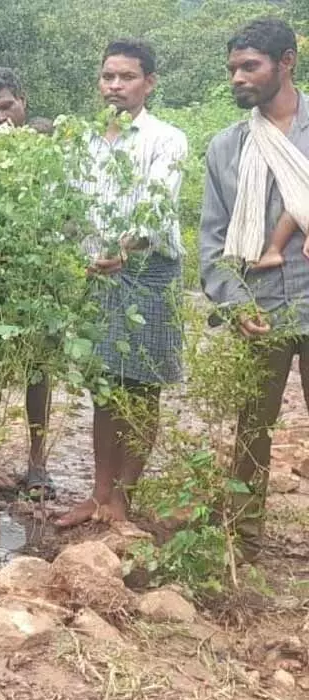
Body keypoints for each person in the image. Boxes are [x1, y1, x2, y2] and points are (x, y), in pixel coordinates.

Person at [57, 39, 188, 528]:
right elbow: (67, 209)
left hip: (148, 272)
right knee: (104, 386)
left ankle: (123, 498)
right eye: (108, 76)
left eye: (127, 77)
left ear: (148, 83)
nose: (115, 86)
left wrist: (122, 250)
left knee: (142, 386)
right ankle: (98, 493)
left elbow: (160, 209)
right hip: (97, 272)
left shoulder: (166, 138)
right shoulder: (83, 140)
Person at [199, 18, 309, 557]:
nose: (238, 78)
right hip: (259, 306)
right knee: (251, 430)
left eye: (251, 66)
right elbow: (214, 242)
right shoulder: (227, 147)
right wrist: (234, 301)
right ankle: (241, 543)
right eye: (232, 69)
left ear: (286, 62)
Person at [0, 66, 57, 498]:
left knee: (37, 374)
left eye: (7, 106)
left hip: (39, 281)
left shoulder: (52, 149)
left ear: (22, 99)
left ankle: (37, 464)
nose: (1, 119)